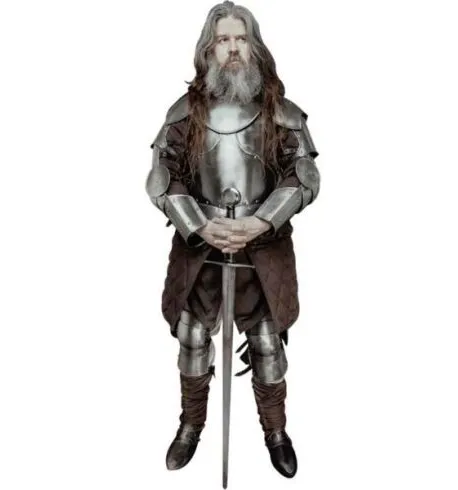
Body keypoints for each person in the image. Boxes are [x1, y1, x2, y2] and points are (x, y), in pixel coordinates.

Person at [145, 0, 320, 479]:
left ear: (254, 45)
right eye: (223, 39)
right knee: (193, 338)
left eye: (241, 38)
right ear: (209, 49)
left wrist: (261, 222)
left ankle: (276, 433)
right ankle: (190, 426)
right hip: (200, 247)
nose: (233, 48)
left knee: (267, 344)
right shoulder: (185, 113)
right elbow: (162, 175)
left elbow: (304, 175)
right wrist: (200, 224)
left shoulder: (278, 112)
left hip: (263, 248)